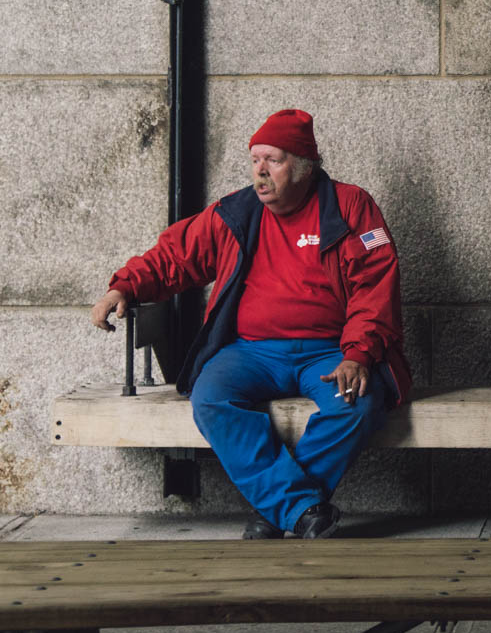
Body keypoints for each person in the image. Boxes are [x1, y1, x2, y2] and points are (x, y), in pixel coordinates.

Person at [91, 108, 411, 539]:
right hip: (251, 351)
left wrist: (358, 355)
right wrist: (124, 287)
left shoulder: (350, 206)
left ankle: (279, 508)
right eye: (255, 160)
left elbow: (375, 285)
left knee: (359, 405)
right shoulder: (236, 213)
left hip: (331, 349)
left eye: (273, 160)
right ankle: (299, 508)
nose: (260, 171)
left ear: (302, 166)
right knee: (210, 398)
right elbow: (175, 256)